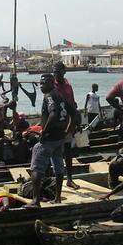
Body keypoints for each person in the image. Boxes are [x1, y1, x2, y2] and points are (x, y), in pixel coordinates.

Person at [25, 73, 70, 208]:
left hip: (49, 138)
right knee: (58, 167)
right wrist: (67, 128)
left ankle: (35, 201)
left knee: (37, 167)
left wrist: (44, 131)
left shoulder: (49, 96)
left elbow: (53, 114)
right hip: (59, 138)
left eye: (44, 83)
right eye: (40, 83)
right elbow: (72, 112)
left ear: (51, 84)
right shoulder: (59, 95)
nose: (41, 85)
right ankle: (57, 197)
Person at [53, 61, 80, 189]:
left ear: (64, 72)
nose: (56, 74)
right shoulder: (52, 86)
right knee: (55, 153)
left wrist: (75, 121)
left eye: (58, 71)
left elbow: (72, 103)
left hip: (68, 123)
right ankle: (55, 180)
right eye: (54, 72)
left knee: (68, 152)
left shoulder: (68, 86)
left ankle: (69, 179)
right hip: (56, 124)